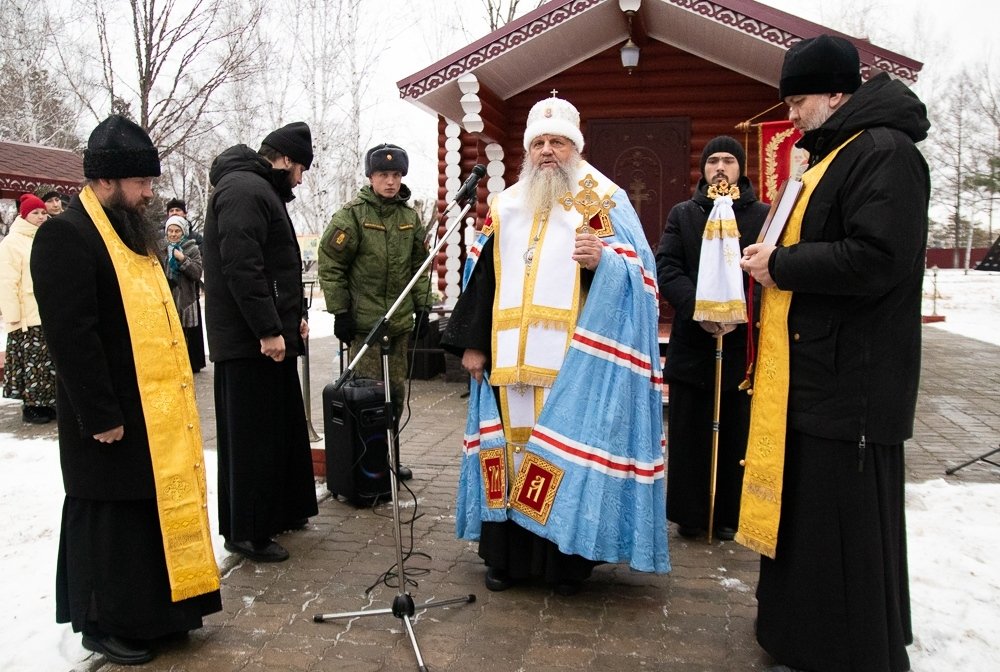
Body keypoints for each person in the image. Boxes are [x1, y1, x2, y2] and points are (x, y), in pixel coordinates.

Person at [738, 35, 929, 672]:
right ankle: (800, 634)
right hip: (814, 374)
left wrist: (781, 264)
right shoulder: (836, 154)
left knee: (844, 528)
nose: (789, 116)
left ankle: (850, 651)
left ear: (835, 94)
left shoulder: (883, 152)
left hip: (854, 383)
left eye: (797, 100)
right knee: (811, 522)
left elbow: (880, 258)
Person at [441, 94, 669, 595]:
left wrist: (601, 265)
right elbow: (481, 279)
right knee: (508, 454)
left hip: (572, 362)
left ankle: (562, 563)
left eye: (558, 142)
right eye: (539, 142)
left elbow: (641, 278)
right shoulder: (505, 203)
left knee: (559, 458)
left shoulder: (597, 199)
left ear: (575, 147)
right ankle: (507, 560)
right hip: (506, 358)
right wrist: (472, 345)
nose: (547, 151)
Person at [30, 115, 221, 666]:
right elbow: (71, 336)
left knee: (145, 513)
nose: (148, 194)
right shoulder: (65, 236)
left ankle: (159, 615)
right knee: (109, 519)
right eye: (141, 183)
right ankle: (103, 623)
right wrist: (100, 413)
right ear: (107, 181)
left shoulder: (130, 234)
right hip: (107, 413)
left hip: (152, 411)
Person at [203, 121, 319, 563]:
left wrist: (293, 321)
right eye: (301, 169)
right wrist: (268, 330)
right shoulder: (244, 190)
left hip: (268, 337)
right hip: (248, 343)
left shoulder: (258, 190)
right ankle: (247, 532)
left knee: (279, 430)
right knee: (250, 439)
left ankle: (284, 509)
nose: (301, 180)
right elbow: (243, 267)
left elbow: (278, 266)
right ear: (285, 159)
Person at [655, 136, 768, 540]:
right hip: (694, 341)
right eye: (713, 161)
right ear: (703, 170)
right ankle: (690, 512)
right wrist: (699, 309)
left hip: (742, 342)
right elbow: (668, 266)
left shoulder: (762, 215)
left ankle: (730, 514)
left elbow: (768, 273)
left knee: (736, 426)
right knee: (691, 430)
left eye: (728, 161)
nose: (720, 167)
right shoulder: (684, 214)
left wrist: (739, 315)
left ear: (741, 168)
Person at [318, 142, 432, 481]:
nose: (390, 182)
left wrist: (423, 306)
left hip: (397, 325)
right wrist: (340, 312)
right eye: (383, 174)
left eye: (396, 174)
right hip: (365, 328)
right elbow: (331, 265)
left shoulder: (409, 218)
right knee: (367, 399)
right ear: (371, 177)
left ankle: (389, 461)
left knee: (394, 397)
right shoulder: (352, 216)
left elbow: (418, 267)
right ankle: (365, 466)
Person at [0, 193, 57, 423]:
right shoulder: (12, 242)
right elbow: (7, 280)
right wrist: (12, 316)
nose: (41, 216)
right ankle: (32, 406)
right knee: (32, 363)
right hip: (27, 314)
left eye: (44, 212)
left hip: (49, 309)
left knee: (49, 362)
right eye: (36, 213)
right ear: (24, 215)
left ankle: (49, 403)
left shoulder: (49, 237)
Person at [162, 214, 206, 372]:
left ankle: (185, 366)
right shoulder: (161, 249)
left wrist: (182, 259)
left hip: (186, 300)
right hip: (167, 298)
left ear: (184, 232)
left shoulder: (192, 248)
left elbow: (196, 273)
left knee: (186, 335)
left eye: (177, 231)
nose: (173, 234)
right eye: (170, 231)